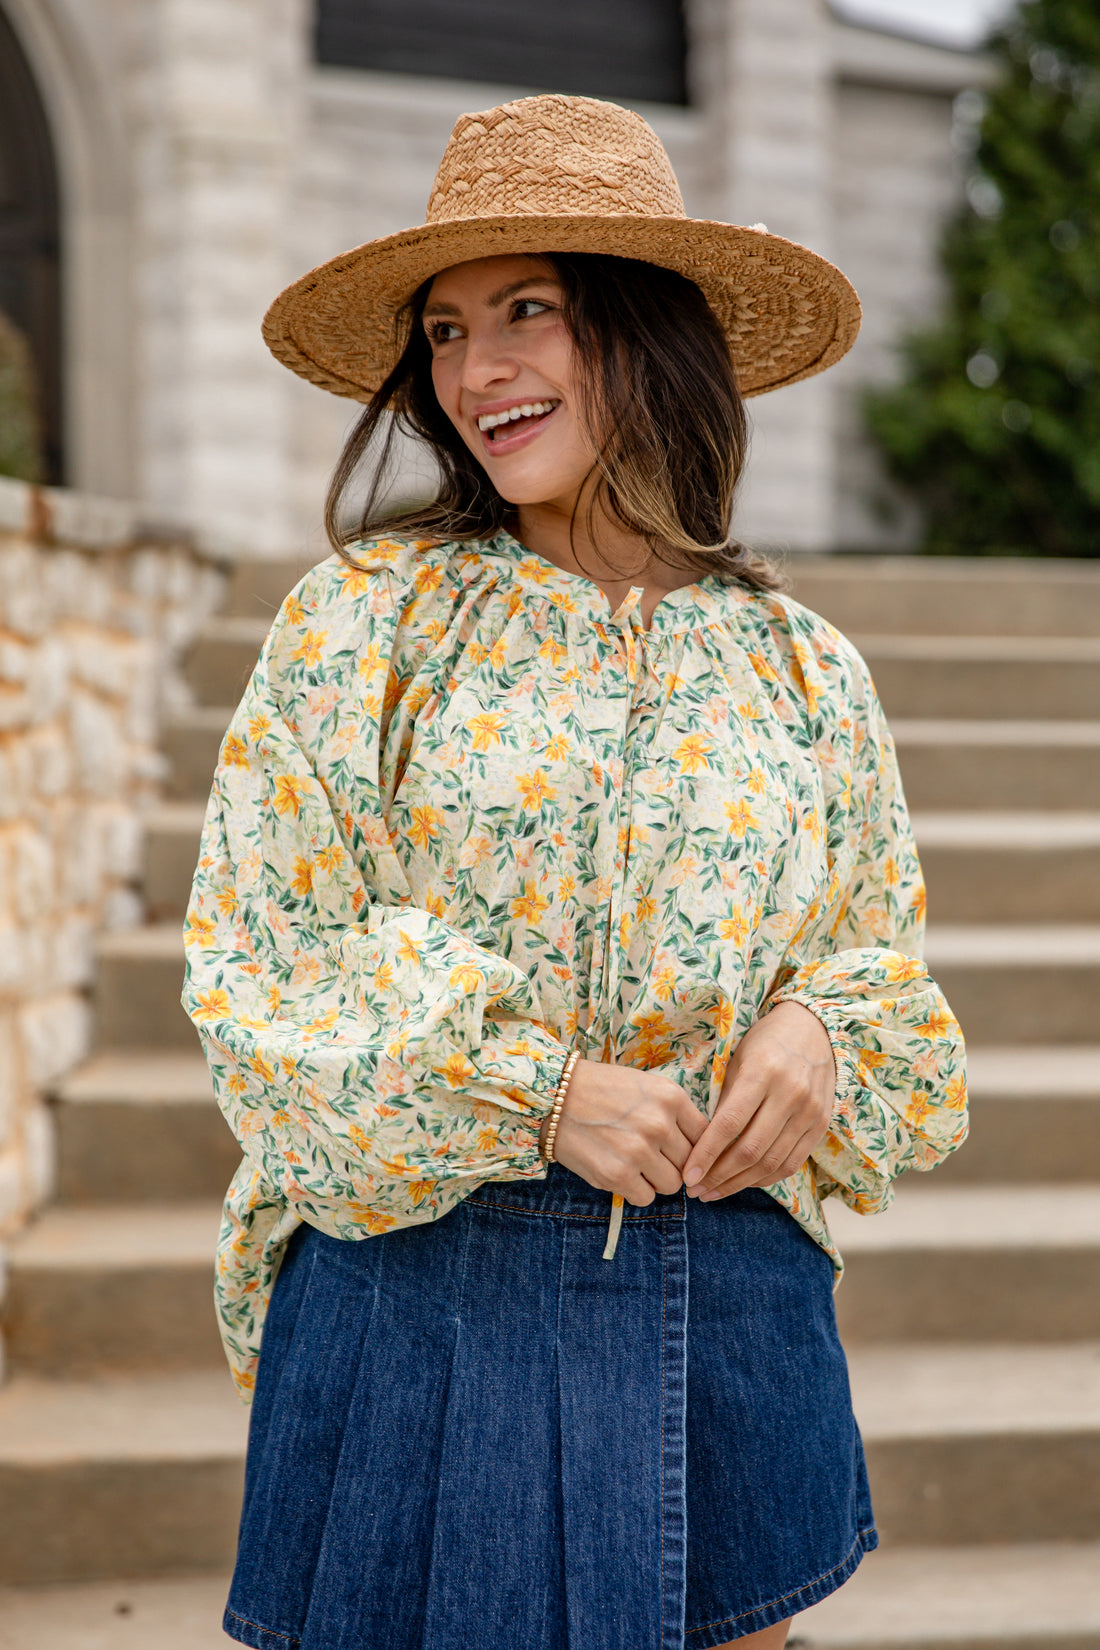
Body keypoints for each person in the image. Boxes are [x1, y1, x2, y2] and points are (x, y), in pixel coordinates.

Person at [183, 93, 967, 1650]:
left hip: (730, 1303)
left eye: (527, 309)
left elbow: (876, 960)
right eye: (450, 330)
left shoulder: (805, 670)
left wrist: (817, 1033)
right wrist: (532, 1095)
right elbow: (257, 976)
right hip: (426, 1293)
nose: (476, 372)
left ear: (643, 327)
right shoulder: (365, 623)